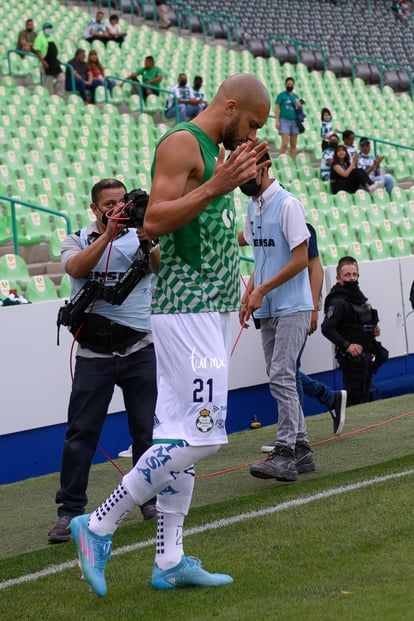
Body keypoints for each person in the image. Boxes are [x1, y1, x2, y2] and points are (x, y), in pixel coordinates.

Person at [69, 73, 271, 596]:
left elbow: (209, 225)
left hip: (209, 309)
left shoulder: (214, 154)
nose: (250, 136)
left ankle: (170, 559)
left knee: (177, 437)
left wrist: (242, 176)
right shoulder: (184, 143)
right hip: (188, 311)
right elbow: (153, 222)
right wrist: (216, 185)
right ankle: (97, 525)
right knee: (203, 435)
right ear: (230, 106)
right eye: (250, 124)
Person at [48, 178, 159, 543]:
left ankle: (148, 499)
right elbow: (76, 268)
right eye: (108, 204)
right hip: (93, 353)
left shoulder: (143, 234)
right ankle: (69, 511)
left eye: (121, 202)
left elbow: (159, 266)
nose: (117, 209)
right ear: (95, 209)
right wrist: (108, 238)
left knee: (145, 431)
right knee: (81, 433)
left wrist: (148, 238)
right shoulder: (77, 239)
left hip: (139, 349)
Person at [237, 151, 315, 483]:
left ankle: (284, 453)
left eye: (247, 171)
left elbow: (301, 259)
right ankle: (301, 448)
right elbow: (262, 256)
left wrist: (262, 289)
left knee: (281, 375)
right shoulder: (253, 207)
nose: (242, 179)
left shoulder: (288, 205)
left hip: (294, 304)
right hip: (268, 305)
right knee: (278, 375)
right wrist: (250, 291)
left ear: (265, 166)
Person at [321, 256, 389, 405]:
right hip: (352, 361)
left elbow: (359, 321)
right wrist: (347, 345)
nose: (352, 278)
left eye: (354, 274)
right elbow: (326, 328)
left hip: (366, 357)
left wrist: (373, 329)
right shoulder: (338, 301)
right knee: (355, 400)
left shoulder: (358, 296)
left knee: (365, 396)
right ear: (338, 278)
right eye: (347, 275)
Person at [274, 76, 304, 163]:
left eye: (291, 84)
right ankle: (280, 161)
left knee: (293, 144)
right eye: (288, 84)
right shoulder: (282, 95)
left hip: (294, 121)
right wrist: (277, 120)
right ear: (285, 85)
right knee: (284, 143)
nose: (289, 85)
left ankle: (293, 162)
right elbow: (276, 108)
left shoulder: (295, 96)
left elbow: (299, 110)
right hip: (284, 120)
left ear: (293, 85)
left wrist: (299, 105)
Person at [33, 22, 64, 97]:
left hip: (54, 62)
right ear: (43, 29)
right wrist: (43, 61)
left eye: (50, 28)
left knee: (62, 77)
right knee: (48, 81)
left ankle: (59, 94)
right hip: (46, 62)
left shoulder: (51, 37)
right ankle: (49, 96)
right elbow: (37, 50)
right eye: (47, 28)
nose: (49, 30)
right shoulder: (39, 37)